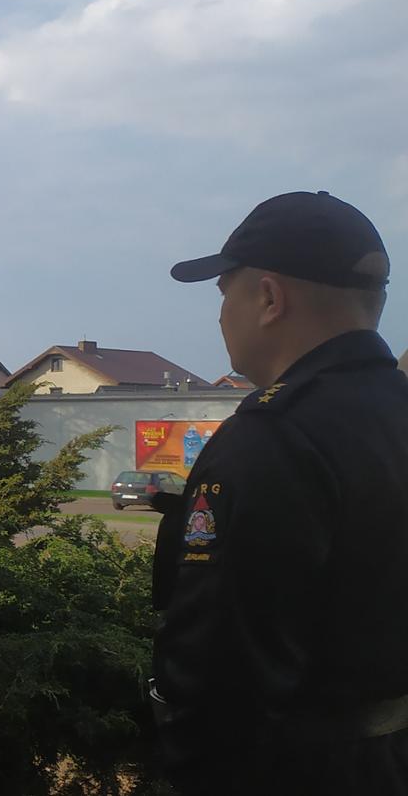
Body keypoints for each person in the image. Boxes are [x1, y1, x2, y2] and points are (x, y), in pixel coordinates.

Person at [153, 191, 408, 794]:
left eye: (224, 294)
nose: (219, 317)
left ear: (269, 298)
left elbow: (220, 682)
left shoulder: (273, 440)